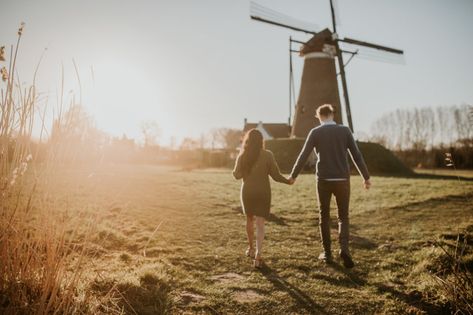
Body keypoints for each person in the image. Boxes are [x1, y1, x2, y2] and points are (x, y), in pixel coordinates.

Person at [288, 104, 371, 268]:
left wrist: (293, 175)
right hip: (342, 179)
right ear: (332, 114)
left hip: (324, 179)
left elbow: (303, 155)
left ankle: (327, 253)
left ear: (319, 116)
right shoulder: (345, 131)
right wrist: (366, 177)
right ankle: (344, 249)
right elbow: (357, 156)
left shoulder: (315, 132)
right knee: (343, 216)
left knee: (324, 216)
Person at [233, 129, 293, 268]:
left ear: (247, 140)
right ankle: (258, 254)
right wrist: (288, 181)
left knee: (249, 220)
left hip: (247, 192)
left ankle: (251, 248)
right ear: (261, 141)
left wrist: (241, 168)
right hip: (263, 193)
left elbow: (236, 175)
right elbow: (276, 175)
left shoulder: (242, 155)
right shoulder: (268, 155)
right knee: (260, 223)